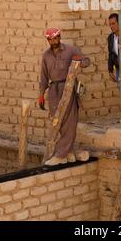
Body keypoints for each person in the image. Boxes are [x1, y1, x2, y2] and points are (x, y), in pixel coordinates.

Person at [38, 27, 91, 166]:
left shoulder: (70, 50)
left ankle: (61, 155)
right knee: (57, 121)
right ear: (48, 40)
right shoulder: (46, 55)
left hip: (67, 89)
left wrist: (79, 62)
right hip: (53, 90)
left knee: (69, 121)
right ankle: (68, 152)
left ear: (59, 37)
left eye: (55, 38)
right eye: (50, 39)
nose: (53, 41)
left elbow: (87, 61)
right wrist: (41, 95)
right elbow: (43, 77)